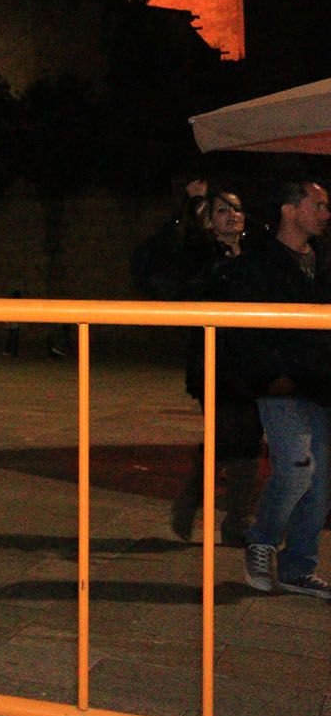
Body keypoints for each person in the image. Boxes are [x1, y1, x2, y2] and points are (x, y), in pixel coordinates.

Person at [132, 182, 259, 543]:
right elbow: (159, 258)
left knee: (247, 439)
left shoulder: (256, 253)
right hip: (214, 360)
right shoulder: (200, 254)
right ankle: (213, 509)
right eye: (222, 210)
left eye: (237, 208)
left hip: (254, 363)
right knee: (228, 435)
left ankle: (225, 515)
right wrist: (186, 207)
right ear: (208, 222)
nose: (232, 215)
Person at [222, 179, 331, 599]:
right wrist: (268, 374)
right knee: (296, 469)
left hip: (321, 384)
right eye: (318, 204)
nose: (325, 213)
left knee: (321, 484)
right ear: (290, 209)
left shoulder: (322, 259)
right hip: (281, 383)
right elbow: (247, 328)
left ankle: (298, 567)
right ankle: (261, 539)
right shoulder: (259, 262)